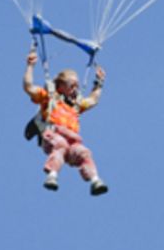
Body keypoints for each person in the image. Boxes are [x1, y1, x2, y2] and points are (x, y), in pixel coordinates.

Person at [23, 50, 108, 195]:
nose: (75, 89)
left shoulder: (76, 105)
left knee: (84, 153)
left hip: (72, 141)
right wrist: (30, 66)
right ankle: (52, 176)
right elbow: (28, 87)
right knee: (60, 144)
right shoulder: (49, 98)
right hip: (53, 136)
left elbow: (93, 100)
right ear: (61, 86)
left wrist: (99, 83)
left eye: (77, 86)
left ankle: (95, 181)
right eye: (72, 85)